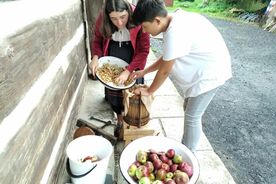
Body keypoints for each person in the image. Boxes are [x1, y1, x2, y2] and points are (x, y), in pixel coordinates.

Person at [131, 0, 232, 152]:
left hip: (210, 75)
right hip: (206, 69)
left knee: (193, 116)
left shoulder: (175, 31)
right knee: (189, 110)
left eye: (145, 27)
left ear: (157, 20)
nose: (144, 32)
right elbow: (167, 57)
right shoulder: (174, 20)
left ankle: (188, 154)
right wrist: (144, 72)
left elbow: (165, 70)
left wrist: (149, 91)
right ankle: (187, 146)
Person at [89, 0, 150, 138]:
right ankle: (120, 119)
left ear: (128, 11)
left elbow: (144, 50)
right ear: (108, 16)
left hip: (133, 54)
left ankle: (131, 117)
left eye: (123, 17)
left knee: (132, 90)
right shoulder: (102, 17)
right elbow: (97, 40)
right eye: (114, 19)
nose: (120, 23)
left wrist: (128, 70)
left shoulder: (138, 17)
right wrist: (95, 57)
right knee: (113, 89)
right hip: (113, 51)